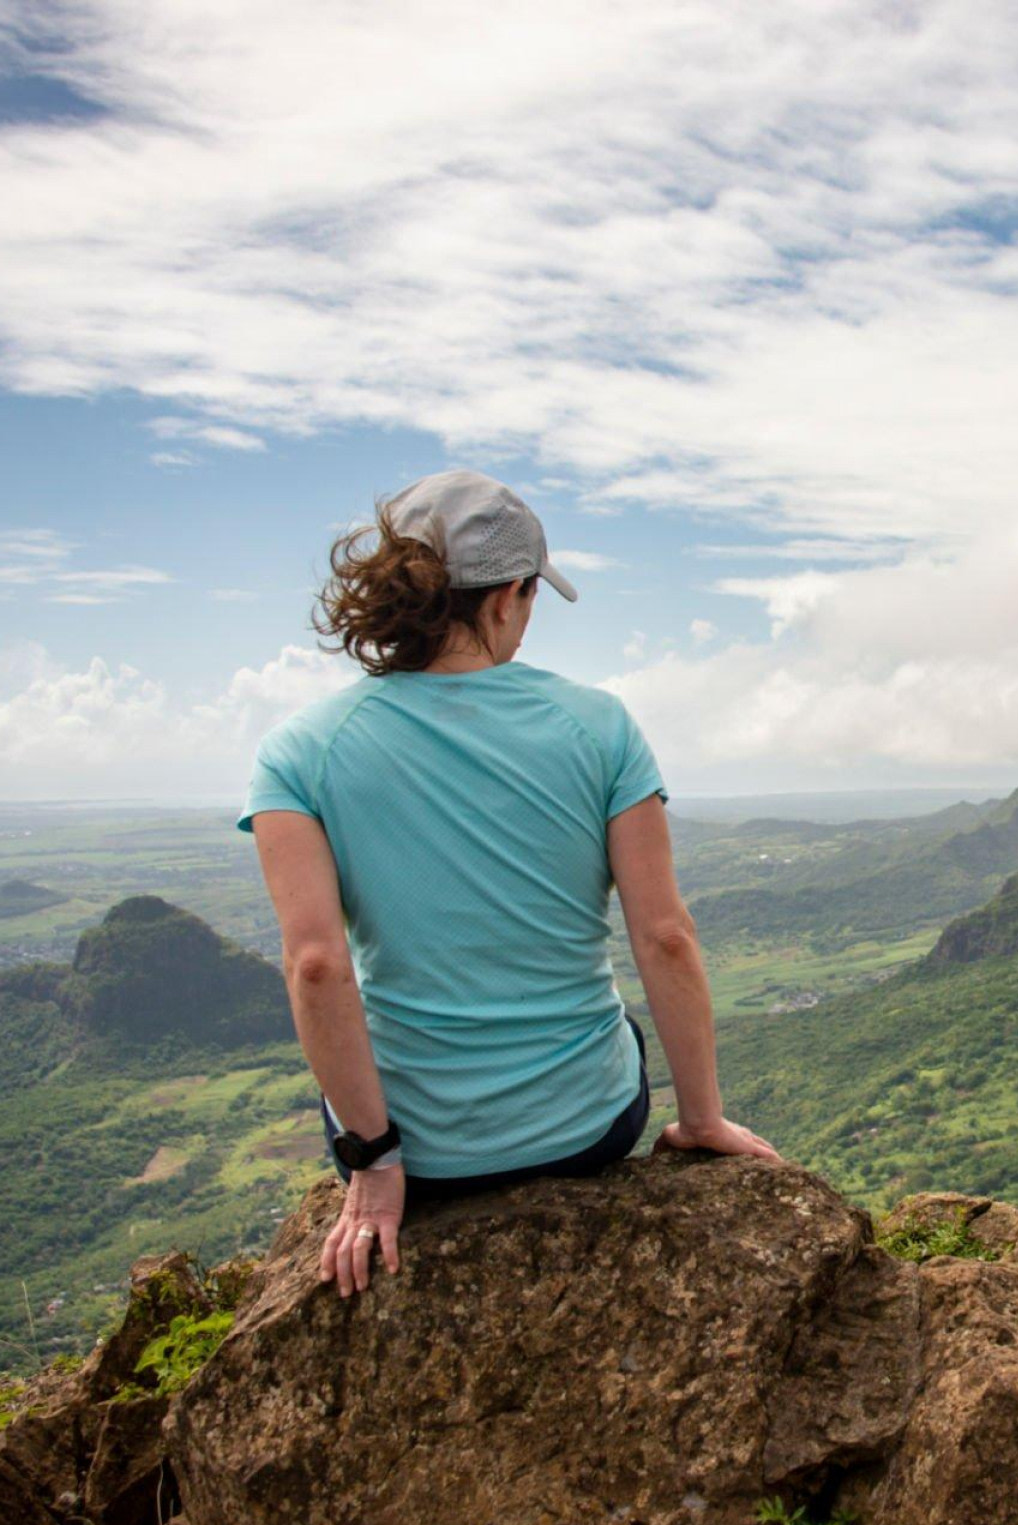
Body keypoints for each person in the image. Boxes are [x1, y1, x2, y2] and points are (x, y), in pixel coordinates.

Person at [238, 468, 780, 1299]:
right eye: (530, 599)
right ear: (504, 599)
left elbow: (315, 964)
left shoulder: (298, 751)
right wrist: (700, 1121)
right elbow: (664, 934)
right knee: (614, 1029)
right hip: (586, 1129)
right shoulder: (599, 725)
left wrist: (376, 1164)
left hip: (421, 1156)